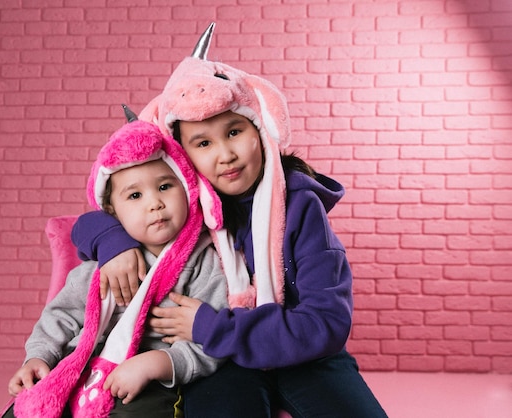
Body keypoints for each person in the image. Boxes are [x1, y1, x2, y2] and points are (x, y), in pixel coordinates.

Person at [71, 23, 387, 418]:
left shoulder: (302, 209)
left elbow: (327, 323)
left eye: (234, 132)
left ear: (260, 130)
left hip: (302, 357)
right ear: (182, 154)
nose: (226, 155)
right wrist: (111, 240)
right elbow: (99, 214)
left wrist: (212, 327)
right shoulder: (184, 204)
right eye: (204, 143)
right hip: (220, 361)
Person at [6, 116, 228, 418]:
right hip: (83, 360)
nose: (155, 203)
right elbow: (62, 315)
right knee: (31, 407)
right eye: (135, 195)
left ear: (188, 189)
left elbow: (214, 338)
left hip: (154, 375)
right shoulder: (103, 263)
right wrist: (37, 357)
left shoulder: (204, 263)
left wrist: (157, 364)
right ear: (112, 211)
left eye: (164, 187)